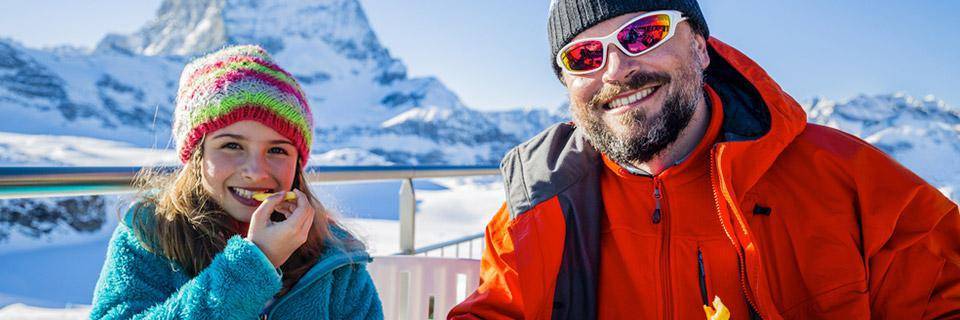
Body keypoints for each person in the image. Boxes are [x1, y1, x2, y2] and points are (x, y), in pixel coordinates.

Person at [449, 1, 959, 319]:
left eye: (644, 34)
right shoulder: (538, 209)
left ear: (699, 46)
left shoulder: (847, 179)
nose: (617, 69)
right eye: (584, 56)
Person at [90, 45, 383, 319]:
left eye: (277, 150)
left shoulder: (336, 259)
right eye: (232, 145)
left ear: (297, 164)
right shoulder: (148, 236)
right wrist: (255, 263)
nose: (255, 172)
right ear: (197, 155)